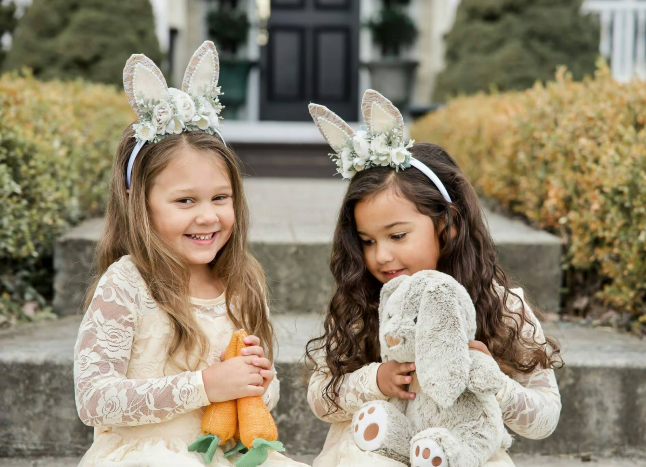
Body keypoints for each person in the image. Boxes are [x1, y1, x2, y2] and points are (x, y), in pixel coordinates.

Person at [73, 41, 308, 467]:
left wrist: (259, 381)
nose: (208, 217)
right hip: (146, 454)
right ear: (139, 203)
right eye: (185, 202)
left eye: (221, 197)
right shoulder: (127, 284)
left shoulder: (242, 280)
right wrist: (205, 385)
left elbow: (259, 396)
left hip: (223, 453)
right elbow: (93, 399)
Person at [305, 90, 563, 466]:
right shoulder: (366, 302)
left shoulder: (500, 303)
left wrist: (495, 384)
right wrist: (377, 381)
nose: (381, 255)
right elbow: (320, 397)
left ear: (448, 224)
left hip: (460, 450)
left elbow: (545, 418)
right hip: (373, 448)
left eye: (397, 236)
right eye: (367, 241)